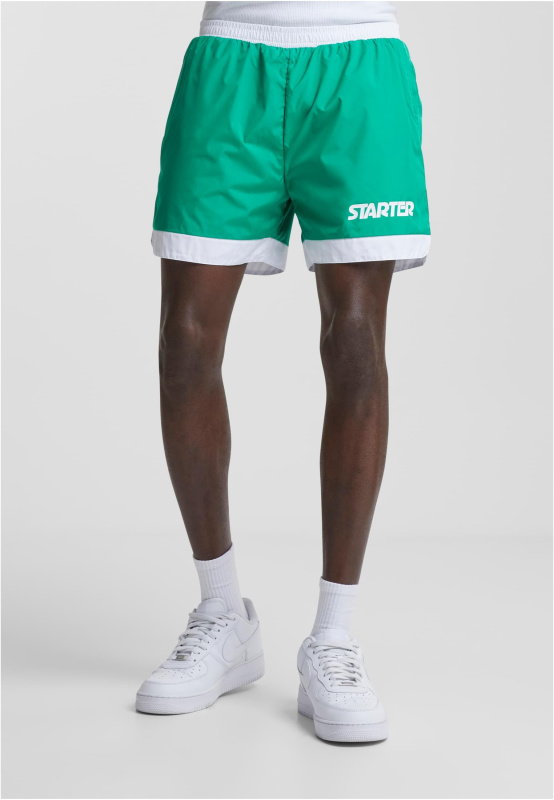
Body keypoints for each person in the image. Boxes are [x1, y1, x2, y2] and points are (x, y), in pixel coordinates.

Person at [136, 0, 430, 743]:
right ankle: (223, 614)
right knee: (184, 345)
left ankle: (333, 636)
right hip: (231, 60)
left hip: (357, 61)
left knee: (355, 343)